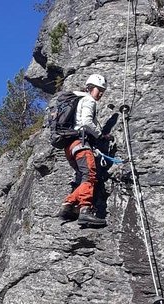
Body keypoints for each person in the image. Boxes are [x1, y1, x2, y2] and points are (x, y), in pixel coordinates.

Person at [58, 74, 112, 227]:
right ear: (90, 88)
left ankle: (68, 205)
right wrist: (101, 135)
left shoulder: (78, 100)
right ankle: (85, 211)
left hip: (70, 147)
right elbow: (87, 122)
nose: (100, 93)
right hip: (81, 144)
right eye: (99, 90)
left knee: (84, 177)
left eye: (103, 91)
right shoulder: (88, 100)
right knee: (90, 176)